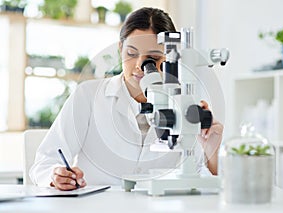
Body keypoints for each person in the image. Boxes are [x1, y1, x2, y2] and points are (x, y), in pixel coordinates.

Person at [30, 7, 223, 191]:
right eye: (131, 54)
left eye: (153, 59)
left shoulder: (183, 105)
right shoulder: (87, 96)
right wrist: (56, 176)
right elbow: (44, 162)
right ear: (120, 48)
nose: (140, 65)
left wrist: (210, 150)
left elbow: (201, 183)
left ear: (171, 58)